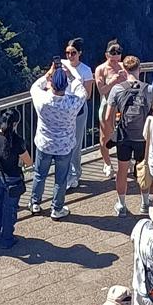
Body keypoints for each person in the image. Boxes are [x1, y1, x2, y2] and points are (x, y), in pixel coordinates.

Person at [101, 52, 153, 218]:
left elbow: (107, 117)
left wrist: (112, 133)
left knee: (122, 170)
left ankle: (122, 205)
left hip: (124, 136)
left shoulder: (117, 89)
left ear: (124, 69)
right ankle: (145, 203)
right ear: (140, 69)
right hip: (143, 137)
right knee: (143, 168)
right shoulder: (149, 89)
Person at [29, 61, 83, 220]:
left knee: (40, 175)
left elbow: (34, 87)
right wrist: (71, 76)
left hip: (45, 144)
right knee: (61, 179)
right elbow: (82, 91)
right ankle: (57, 208)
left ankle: (35, 203)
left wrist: (48, 74)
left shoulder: (42, 100)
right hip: (64, 147)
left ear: (51, 83)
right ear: (65, 85)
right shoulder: (72, 103)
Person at [0, 107, 31, 246]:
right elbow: (28, 162)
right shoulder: (18, 141)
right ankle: (7, 239)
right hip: (13, 179)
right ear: (15, 124)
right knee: (9, 209)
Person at [63, 37, 94, 191]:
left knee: (75, 142)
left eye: (73, 53)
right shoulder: (62, 65)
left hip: (79, 109)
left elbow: (88, 94)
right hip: (63, 108)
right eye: (68, 53)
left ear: (80, 53)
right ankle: (67, 174)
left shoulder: (86, 70)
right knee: (64, 142)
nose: (70, 56)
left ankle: (74, 174)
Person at [93, 39, 128, 175]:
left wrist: (126, 78)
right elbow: (101, 90)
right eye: (112, 58)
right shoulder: (101, 69)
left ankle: (125, 160)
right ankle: (107, 163)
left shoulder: (124, 66)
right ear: (106, 55)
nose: (115, 61)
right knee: (105, 136)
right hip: (108, 104)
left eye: (118, 57)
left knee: (125, 135)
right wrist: (114, 81)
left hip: (123, 105)